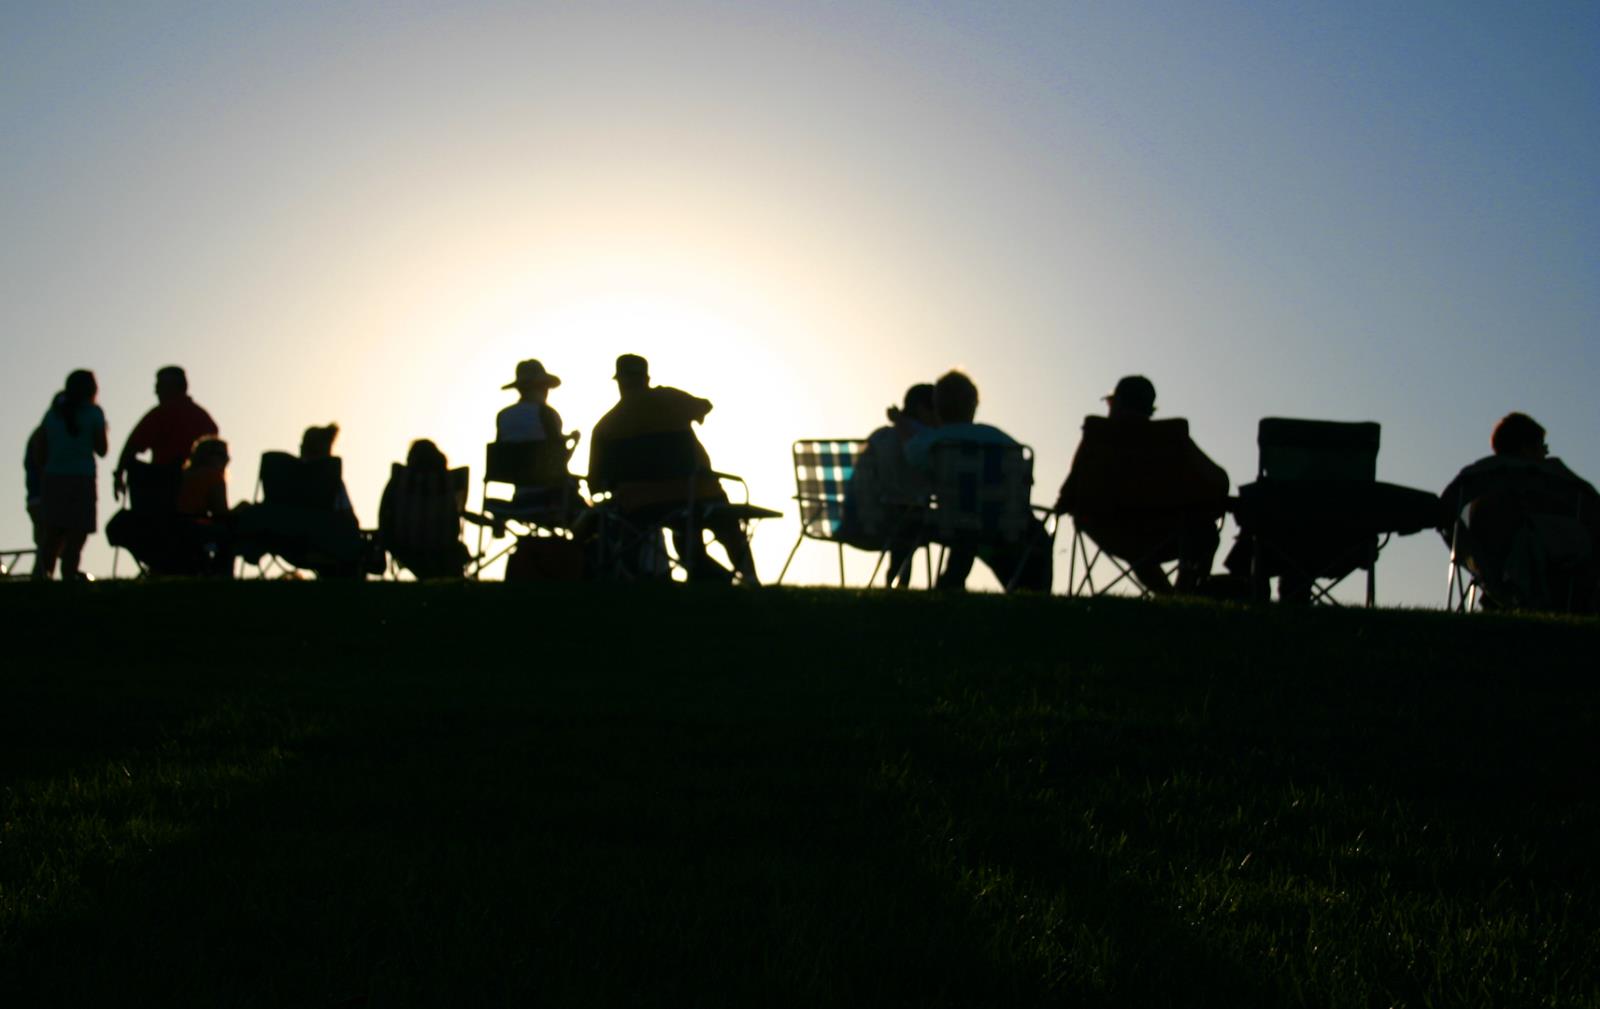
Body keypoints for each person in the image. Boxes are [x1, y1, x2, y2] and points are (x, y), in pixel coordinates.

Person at [587, 353, 759, 583]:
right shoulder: (670, 399)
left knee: (682, 534)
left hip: (642, 508)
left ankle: (700, 577)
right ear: (646, 378)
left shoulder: (605, 426)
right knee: (724, 525)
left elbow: (597, 484)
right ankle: (749, 578)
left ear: (619, 382)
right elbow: (704, 406)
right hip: (698, 494)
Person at [1054, 375, 1229, 593]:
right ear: (1149, 408)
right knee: (1203, 530)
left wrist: (1067, 504)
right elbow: (1217, 482)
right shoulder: (1171, 438)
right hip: (1166, 531)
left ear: (1117, 403)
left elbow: (1068, 492)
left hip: (1108, 528)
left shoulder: (1098, 435)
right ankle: (1183, 593)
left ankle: (1167, 597)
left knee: (1137, 548)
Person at [904, 370, 1052, 592]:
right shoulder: (1003, 440)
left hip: (951, 522)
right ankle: (1030, 592)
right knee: (1036, 538)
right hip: (1002, 524)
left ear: (937, 407)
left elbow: (912, 460)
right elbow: (1024, 478)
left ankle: (949, 582)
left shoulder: (932, 442)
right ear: (974, 405)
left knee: (962, 525)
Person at [1438, 412, 1600, 611]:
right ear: (1526, 448)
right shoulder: (1555, 486)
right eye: (1543, 447)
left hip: (1493, 575)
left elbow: (1444, 516)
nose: (1545, 453)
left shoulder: (1476, 483)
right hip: (1561, 581)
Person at [842, 383, 938, 586]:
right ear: (923, 409)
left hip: (855, 520)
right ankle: (902, 582)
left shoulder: (879, 436)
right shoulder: (924, 441)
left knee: (906, 514)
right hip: (893, 522)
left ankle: (896, 580)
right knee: (912, 515)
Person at [34, 370, 108, 580]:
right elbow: (102, 449)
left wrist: (45, 470)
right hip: (82, 477)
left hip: (53, 477)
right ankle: (69, 572)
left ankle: (44, 574)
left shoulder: (52, 415)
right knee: (78, 531)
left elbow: (40, 448)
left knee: (53, 531)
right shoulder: (94, 413)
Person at [493, 359, 584, 518]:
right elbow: (558, 461)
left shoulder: (503, 416)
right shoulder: (546, 413)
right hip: (550, 499)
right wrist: (574, 443)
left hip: (520, 499)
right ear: (541, 387)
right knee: (592, 518)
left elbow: (500, 458)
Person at [113, 366, 218, 498]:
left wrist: (119, 475)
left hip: (165, 491)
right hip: (198, 495)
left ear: (173, 387)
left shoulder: (160, 415)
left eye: (159, 386)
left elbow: (131, 448)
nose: (156, 391)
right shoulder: (205, 419)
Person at [378, 439, 470, 579]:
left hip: (405, 545)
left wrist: (386, 535)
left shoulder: (401, 480)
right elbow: (455, 516)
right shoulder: (447, 483)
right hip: (443, 547)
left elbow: (384, 511)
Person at [174, 435, 234, 575]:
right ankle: (220, 579)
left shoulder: (183, 475)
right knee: (227, 539)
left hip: (171, 532)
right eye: (222, 455)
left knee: (212, 540)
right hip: (196, 535)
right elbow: (221, 514)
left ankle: (204, 568)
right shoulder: (213, 476)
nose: (227, 459)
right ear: (207, 456)